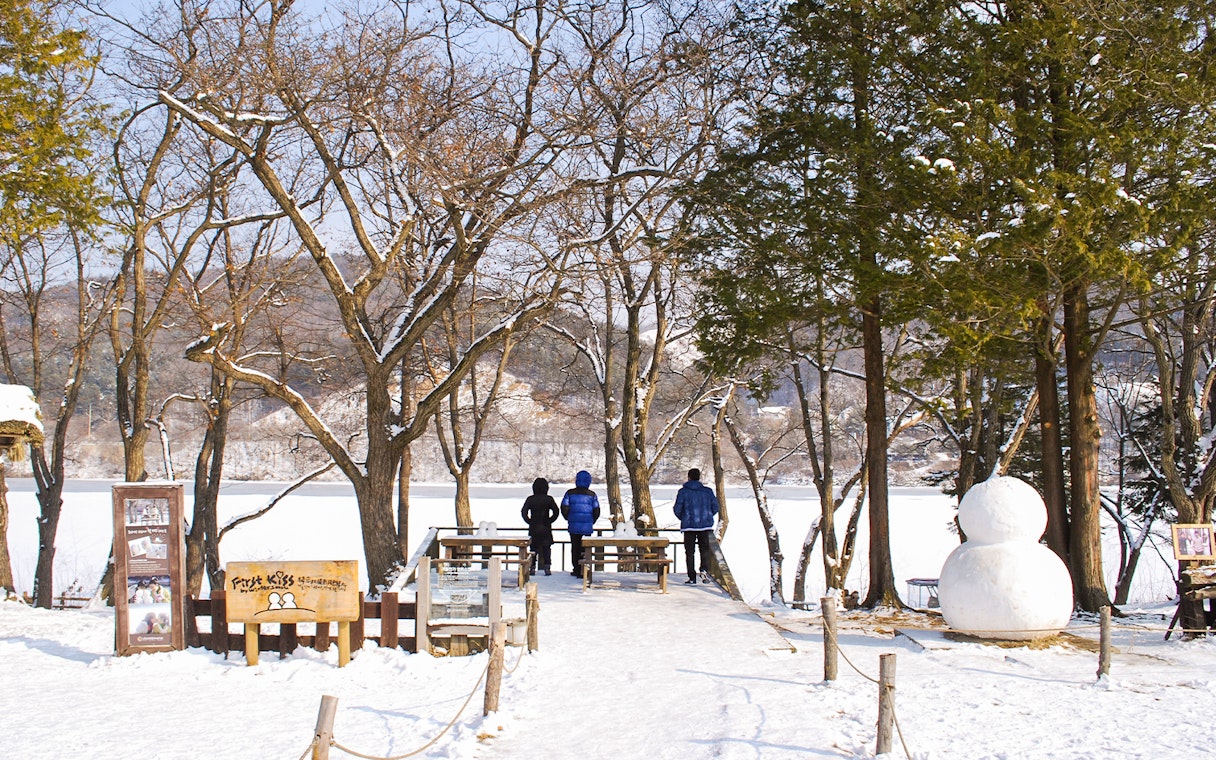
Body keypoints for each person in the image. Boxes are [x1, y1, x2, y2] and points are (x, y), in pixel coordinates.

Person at [673, 468, 719, 585]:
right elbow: (715, 507)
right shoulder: (707, 491)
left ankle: (692, 577)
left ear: (689, 477)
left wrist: (685, 518)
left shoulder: (683, 492)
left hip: (689, 527)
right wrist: (707, 516)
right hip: (704, 526)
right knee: (704, 550)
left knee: (689, 552)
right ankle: (704, 570)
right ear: (699, 477)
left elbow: (677, 509)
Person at [561, 470, 601, 578]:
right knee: (585, 549)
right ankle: (585, 569)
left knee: (575, 547)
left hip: (574, 525)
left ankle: (576, 569)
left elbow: (564, 507)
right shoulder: (592, 495)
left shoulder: (569, 493)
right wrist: (591, 521)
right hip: (587, 526)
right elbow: (596, 510)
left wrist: (568, 518)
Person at [521, 478, 560, 576]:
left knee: (533, 548)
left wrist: (529, 521)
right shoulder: (549, 499)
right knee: (546, 548)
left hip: (534, 527)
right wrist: (550, 520)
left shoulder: (530, 499)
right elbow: (556, 512)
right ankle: (547, 567)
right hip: (546, 527)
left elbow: (524, 512)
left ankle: (532, 567)